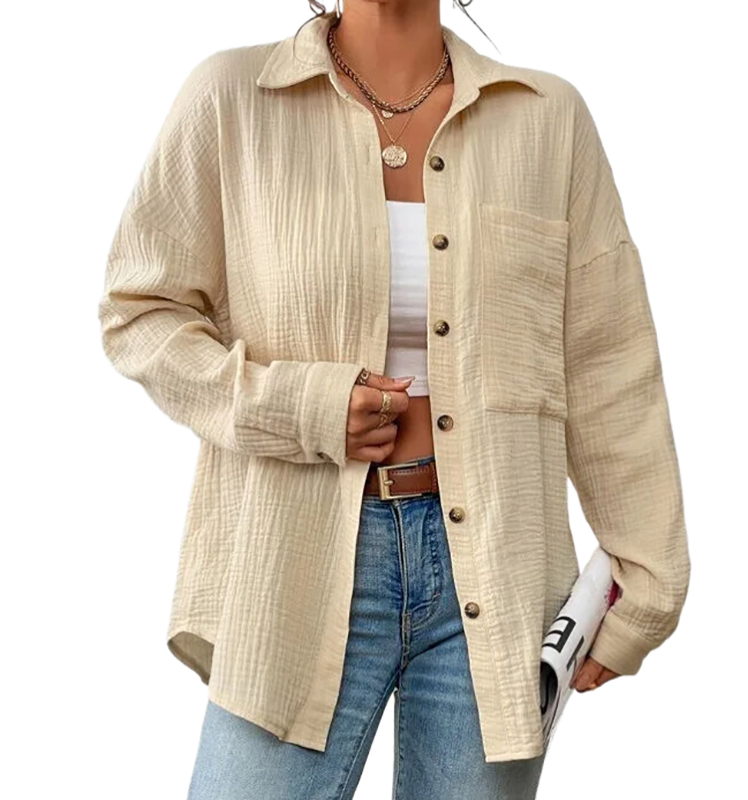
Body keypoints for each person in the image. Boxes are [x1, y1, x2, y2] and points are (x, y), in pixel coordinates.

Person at [97, 1, 691, 797]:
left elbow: (610, 362)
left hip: (496, 570)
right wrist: (302, 407)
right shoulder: (232, 97)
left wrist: (646, 586)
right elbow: (139, 313)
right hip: (295, 563)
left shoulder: (548, 120)